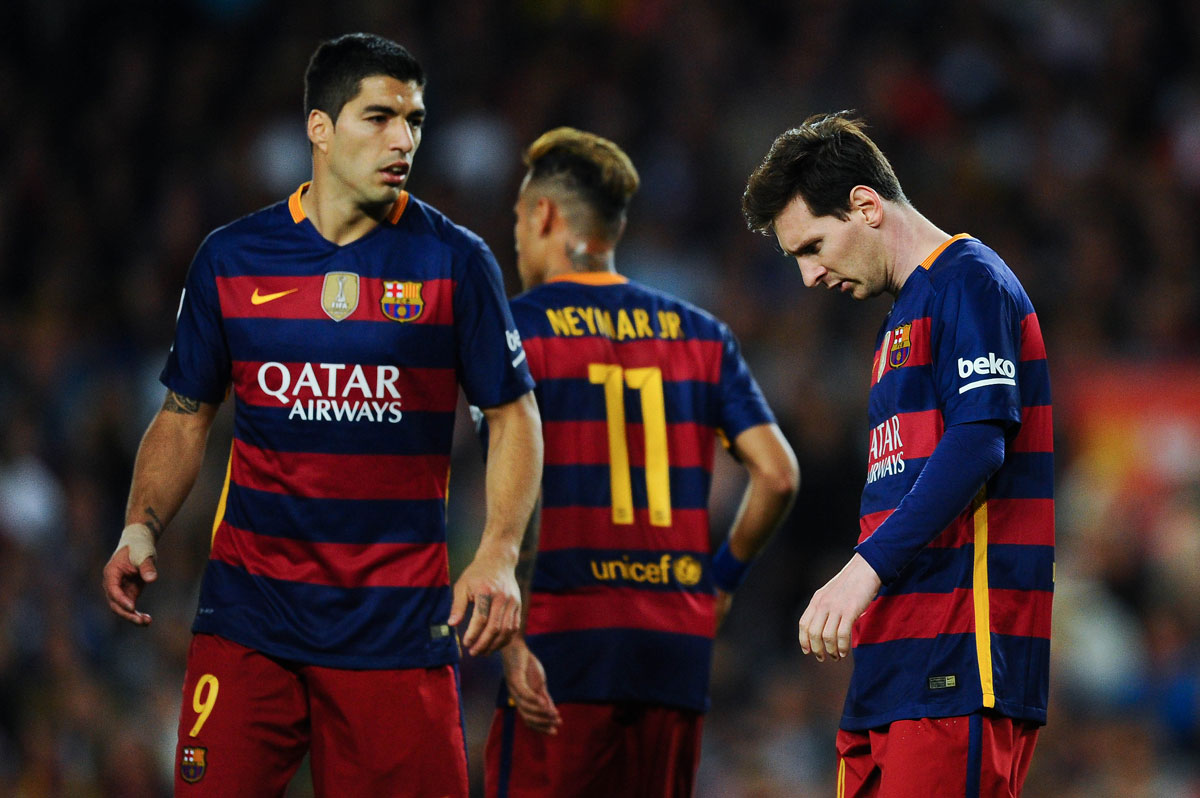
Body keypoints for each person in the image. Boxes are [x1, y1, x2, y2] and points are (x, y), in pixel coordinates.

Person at [101, 33, 543, 798]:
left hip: (395, 633)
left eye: (414, 121)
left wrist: (500, 551)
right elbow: (183, 415)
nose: (403, 140)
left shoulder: (455, 262)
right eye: (380, 117)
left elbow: (511, 414)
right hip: (251, 623)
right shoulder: (232, 260)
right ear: (320, 128)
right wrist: (141, 525)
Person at [743, 112, 1054, 798]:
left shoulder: (970, 281)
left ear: (865, 205)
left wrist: (861, 570)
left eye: (813, 247)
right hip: (892, 666)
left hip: (960, 662)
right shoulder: (899, 321)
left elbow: (979, 439)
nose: (809, 276)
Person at [483, 127, 799, 798]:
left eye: (518, 221)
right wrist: (721, 581)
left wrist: (509, 641)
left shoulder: (518, 331)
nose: (517, 239)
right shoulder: (703, 335)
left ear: (543, 215)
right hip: (673, 644)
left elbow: (508, 495)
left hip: (563, 638)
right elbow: (777, 474)